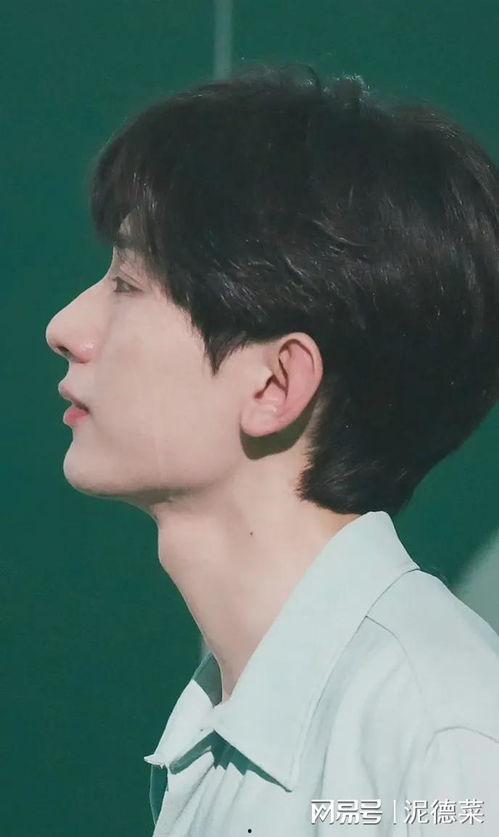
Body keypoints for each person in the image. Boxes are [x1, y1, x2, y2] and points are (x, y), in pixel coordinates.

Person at [45, 64, 499, 835]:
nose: (64, 327)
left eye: (127, 283)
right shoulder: (228, 722)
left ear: (275, 383)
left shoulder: (440, 736)